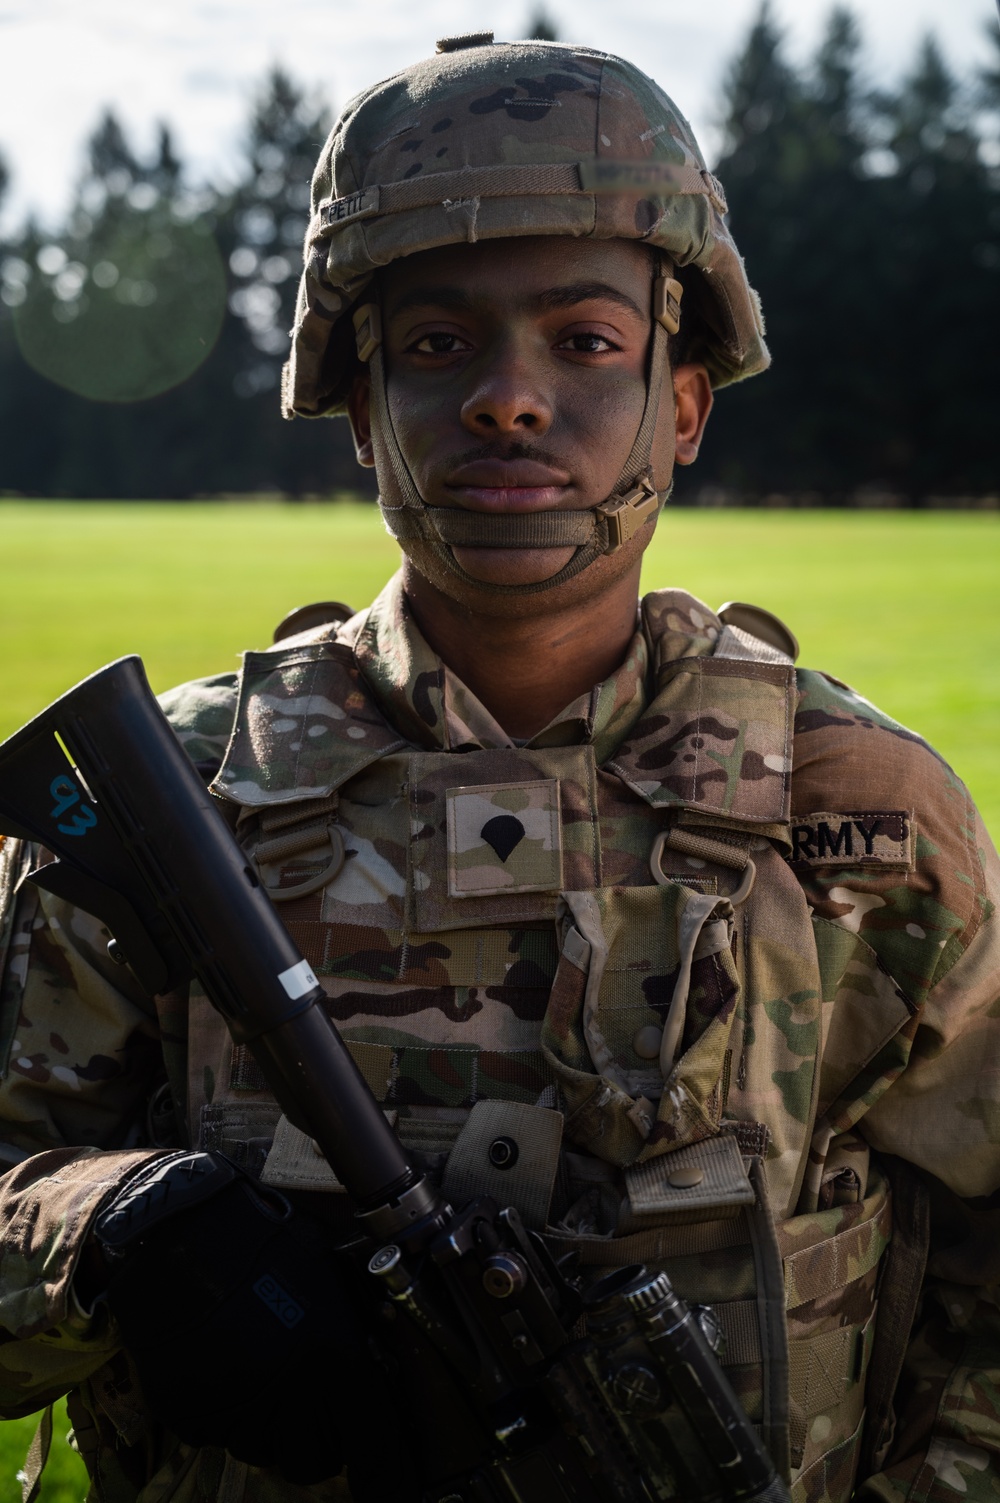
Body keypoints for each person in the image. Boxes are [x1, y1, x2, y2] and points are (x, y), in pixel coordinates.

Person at [0, 31, 998, 1503]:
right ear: (360, 412)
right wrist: (104, 1232)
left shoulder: (855, 815)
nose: (508, 401)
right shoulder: (168, 811)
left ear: (684, 403)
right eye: (435, 346)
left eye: (587, 342)